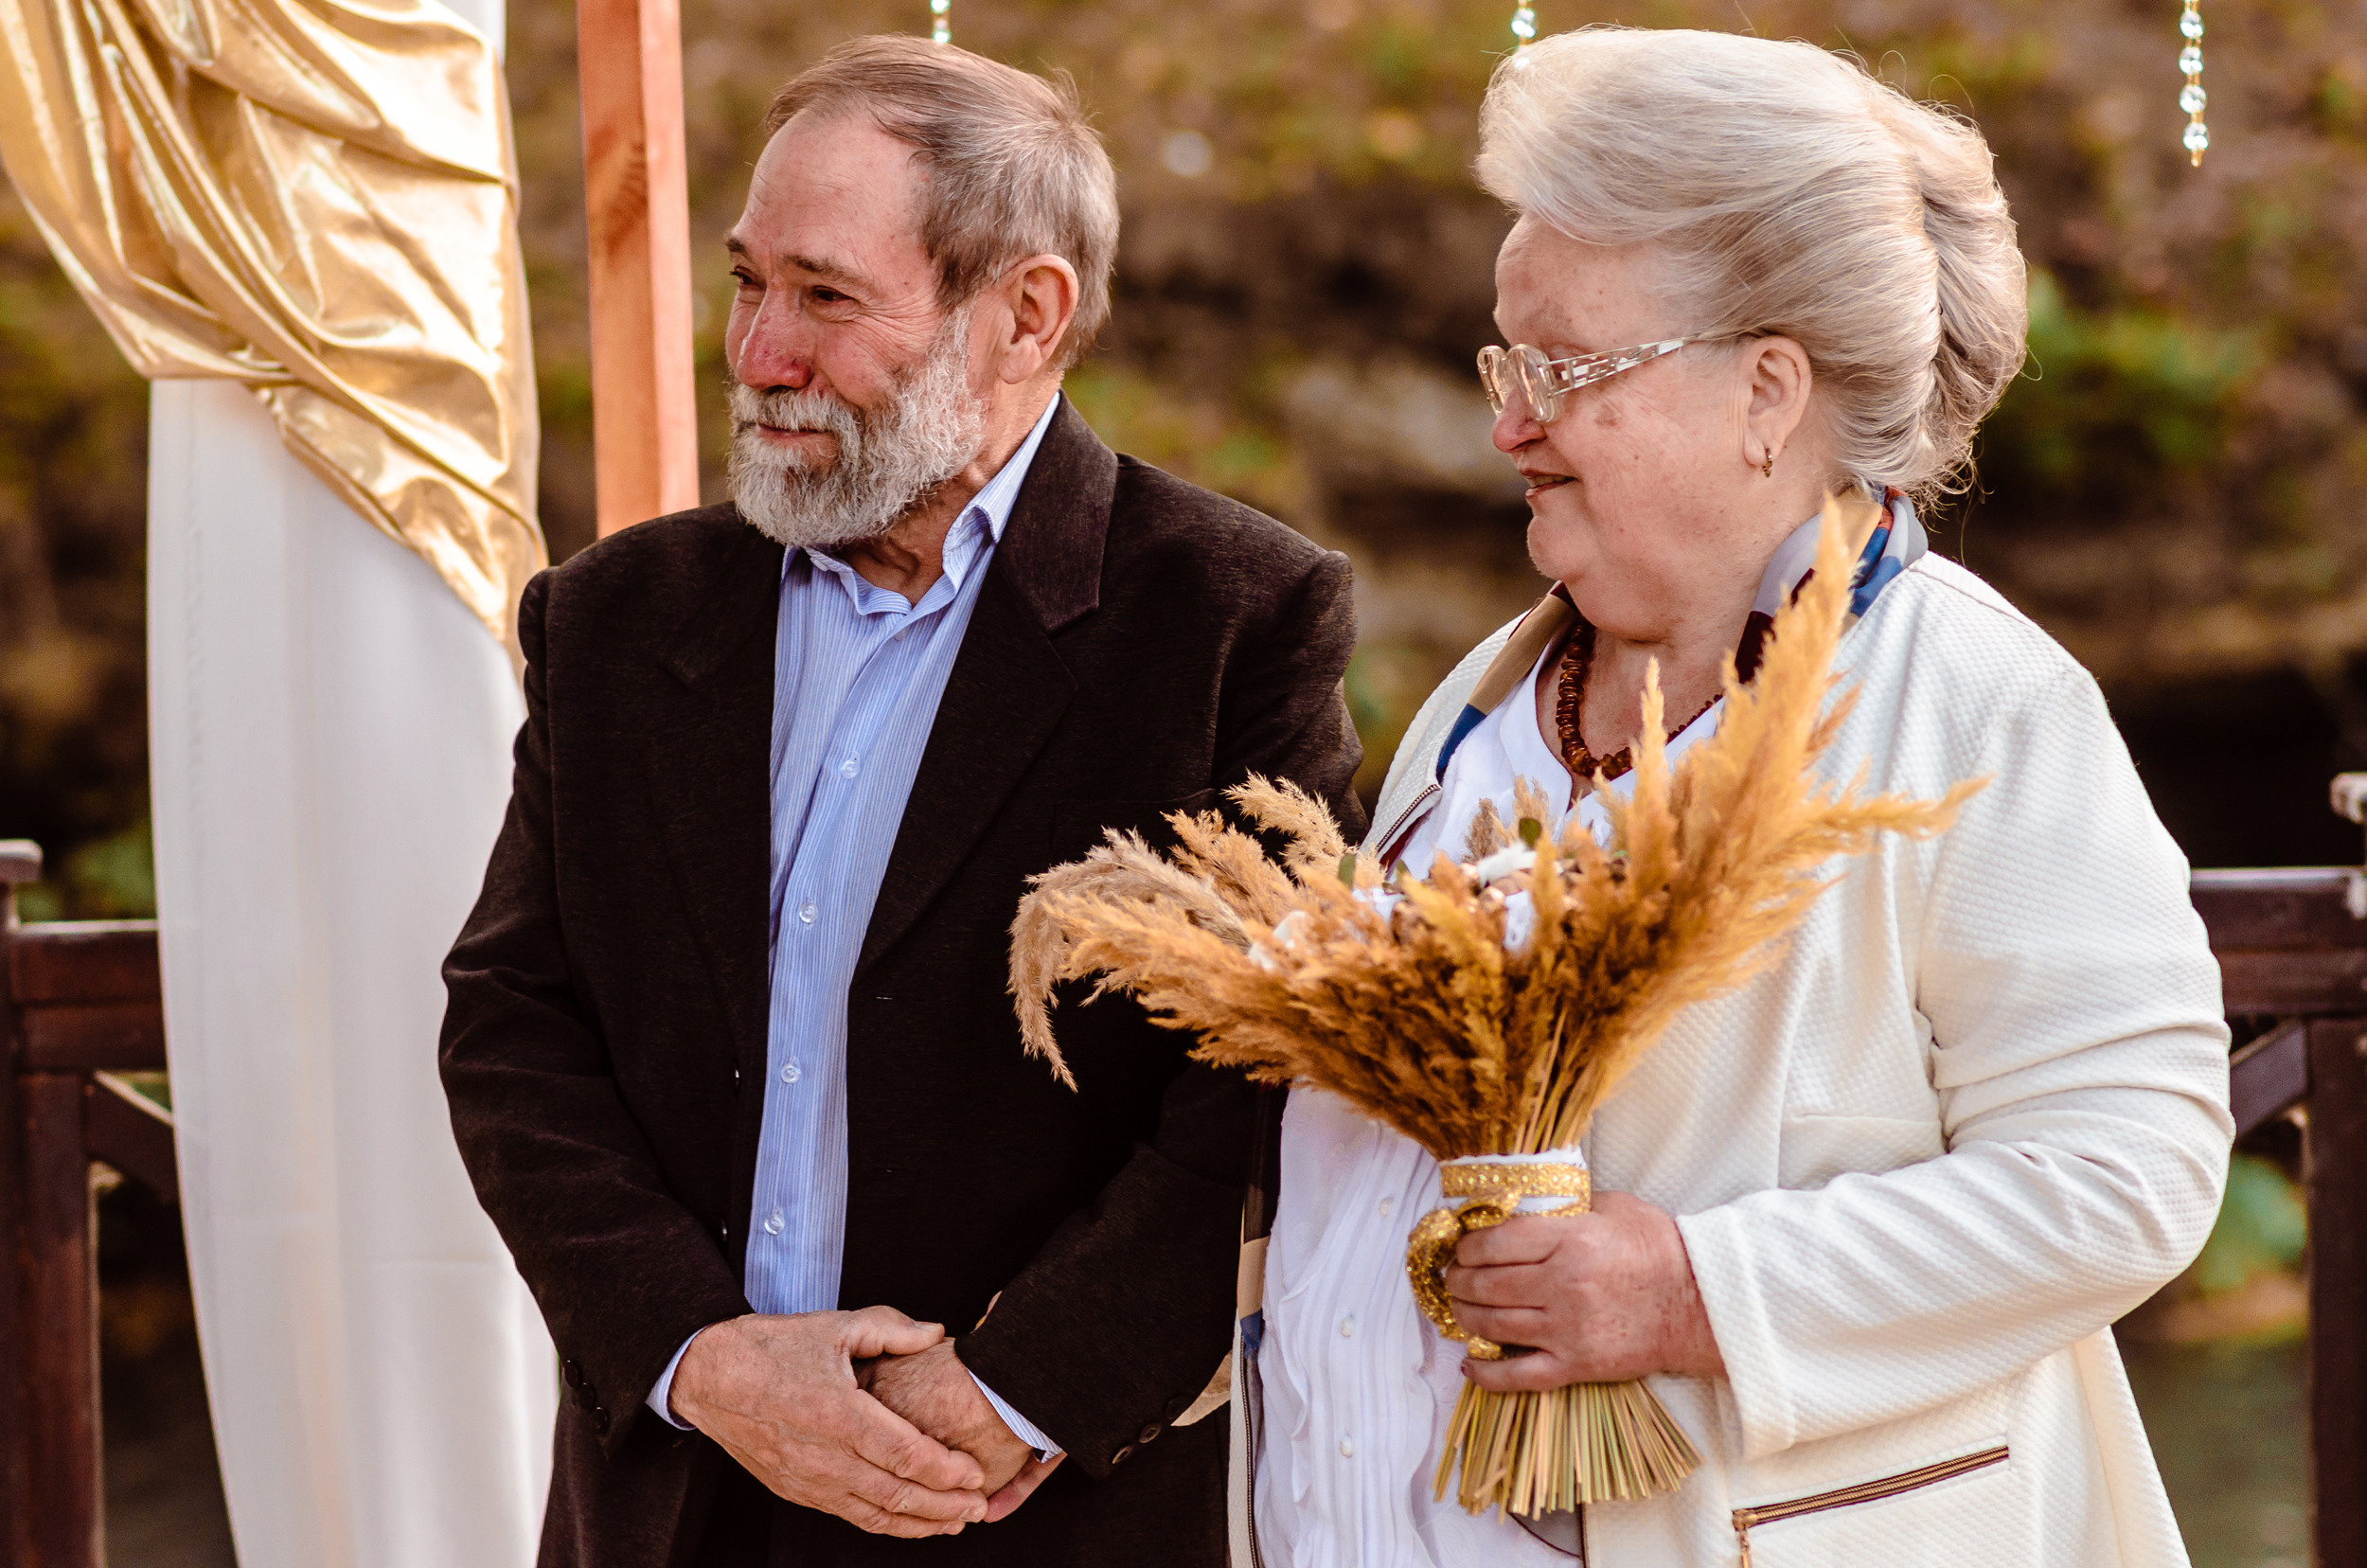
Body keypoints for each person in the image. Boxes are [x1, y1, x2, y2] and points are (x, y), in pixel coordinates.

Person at [1233, 27, 2233, 1568]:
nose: (1509, 420)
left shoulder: (1977, 702)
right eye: (1507, 360)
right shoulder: (1480, 706)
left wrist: (1694, 1291)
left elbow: (2126, 1172)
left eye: (1562, 366)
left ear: (1768, 390)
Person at [440, 36, 1364, 1568]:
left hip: (1028, 1508)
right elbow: (513, 1026)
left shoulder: (1229, 620)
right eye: (748, 283)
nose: (757, 353)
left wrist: (1017, 1391)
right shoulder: (610, 615)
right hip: (673, 1498)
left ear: (1027, 314)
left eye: (825, 296)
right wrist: (699, 1357)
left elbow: (1262, 1084)